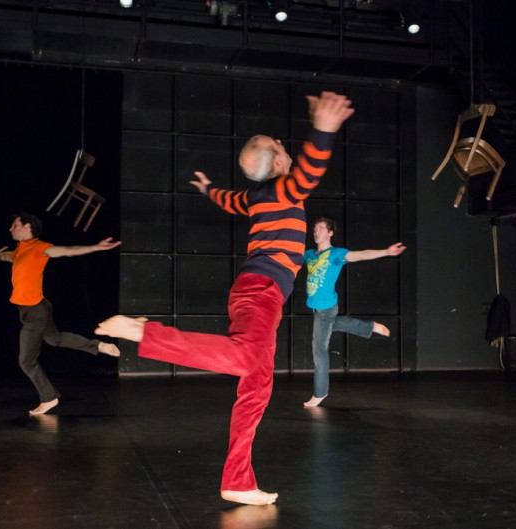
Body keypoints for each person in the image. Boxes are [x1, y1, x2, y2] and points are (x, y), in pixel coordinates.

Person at [94, 91, 355, 506]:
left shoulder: (254, 197)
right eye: (281, 147)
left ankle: (237, 479)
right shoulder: (288, 190)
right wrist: (322, 130)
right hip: (263, 291)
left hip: (257, 292)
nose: (286, 148)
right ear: (281, 163)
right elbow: (311, 172)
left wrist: (208, 187)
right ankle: (147, 335)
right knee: (246, 362)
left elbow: (226, 200)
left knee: (258, 385)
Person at [0, 212, 121, 416]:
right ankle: (99, 346)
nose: (10, 229)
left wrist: (95, 247)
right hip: (32, 309)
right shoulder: (20, 250)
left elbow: (67, 251)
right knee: (55, 339)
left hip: (35, 312)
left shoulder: (40, 248)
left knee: (26, 361)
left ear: (27, 227)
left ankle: (49, 397)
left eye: (15, 225)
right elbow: (8, 257)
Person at [303, 217, 406, 408]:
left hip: (326, 309)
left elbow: (362, 255)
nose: (316, 232)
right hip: (317, 309)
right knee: (333, 325)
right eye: (315, 229)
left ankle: (320, 392)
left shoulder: (335, 254)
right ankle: (370, 327)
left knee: (319, 349)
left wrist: (386, 252)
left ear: (330, 233)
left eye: (321, 229)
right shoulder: (309, 254)